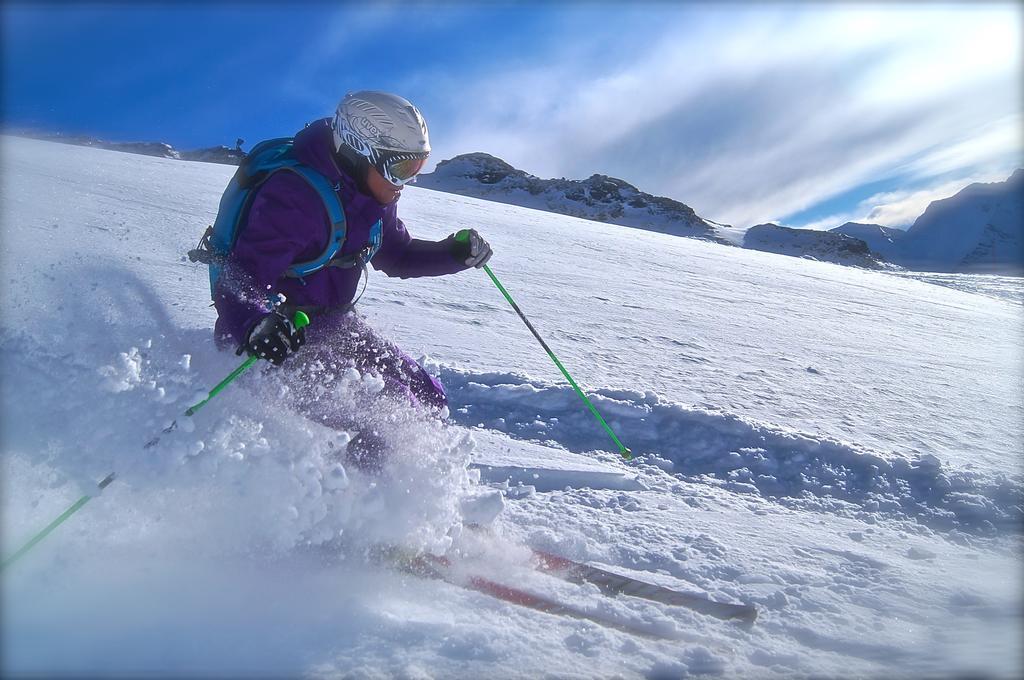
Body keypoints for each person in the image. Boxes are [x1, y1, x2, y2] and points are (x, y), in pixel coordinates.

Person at [213, 91, 492, 470]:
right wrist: (254, 324)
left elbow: (398, 254)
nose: (406, 182)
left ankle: (418, 498)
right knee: (386, 416)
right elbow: (240, 275)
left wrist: (453, 254)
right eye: (402, 168)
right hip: (276, 341)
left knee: (427, 396)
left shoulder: (372, 194)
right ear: (361, 151)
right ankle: (363, 513)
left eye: (417, 167)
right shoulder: (294, 198)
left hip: (336, 324)